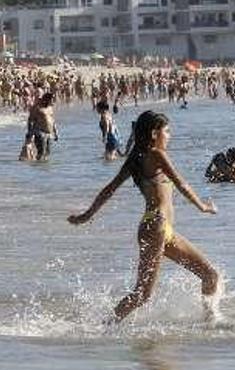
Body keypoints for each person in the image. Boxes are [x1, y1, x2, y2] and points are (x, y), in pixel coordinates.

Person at [68, 111, 221, 323]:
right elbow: (181, 183)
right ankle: (104, 326)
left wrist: (87, 215)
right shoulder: (157, 154)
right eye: (166, 131)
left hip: (159, 228)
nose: (170, 135)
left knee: (210, 275)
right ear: (154, 133)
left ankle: (210, 321)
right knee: (143, 294)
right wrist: (203, 207)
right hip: (156, 227)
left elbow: (109, 189)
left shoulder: (135, 158)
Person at [27, 92, 58, 161]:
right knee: (41, 152)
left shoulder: (50, 108)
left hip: (49, 133)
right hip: (40, 132)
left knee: (47, 152)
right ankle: (38, 168)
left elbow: (52, 120)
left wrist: (56, 132)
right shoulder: (37, 108)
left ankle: (43, 168)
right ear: (47, 99)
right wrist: (30, 132)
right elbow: (30, 120)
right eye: (52, 99)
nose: (53, 101)